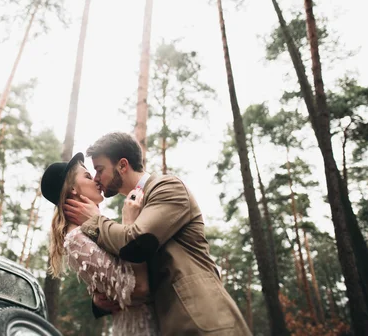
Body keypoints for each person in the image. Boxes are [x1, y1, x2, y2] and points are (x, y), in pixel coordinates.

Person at [63, 132, 252, 336]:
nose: (97, 179)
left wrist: (94, 220)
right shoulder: (132, 212)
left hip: (205, 321)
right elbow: (128, 273)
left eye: (99, 170)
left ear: (122, 165)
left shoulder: (168, 187)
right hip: (170, 325)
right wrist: (100, 301)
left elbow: (137, 243)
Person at [40, 152, 159, 335]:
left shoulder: (94, 229)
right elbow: (138, 288)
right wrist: (130, 228)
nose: (96, 180)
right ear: (72, 189)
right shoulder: (76, 240)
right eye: (88, 176)